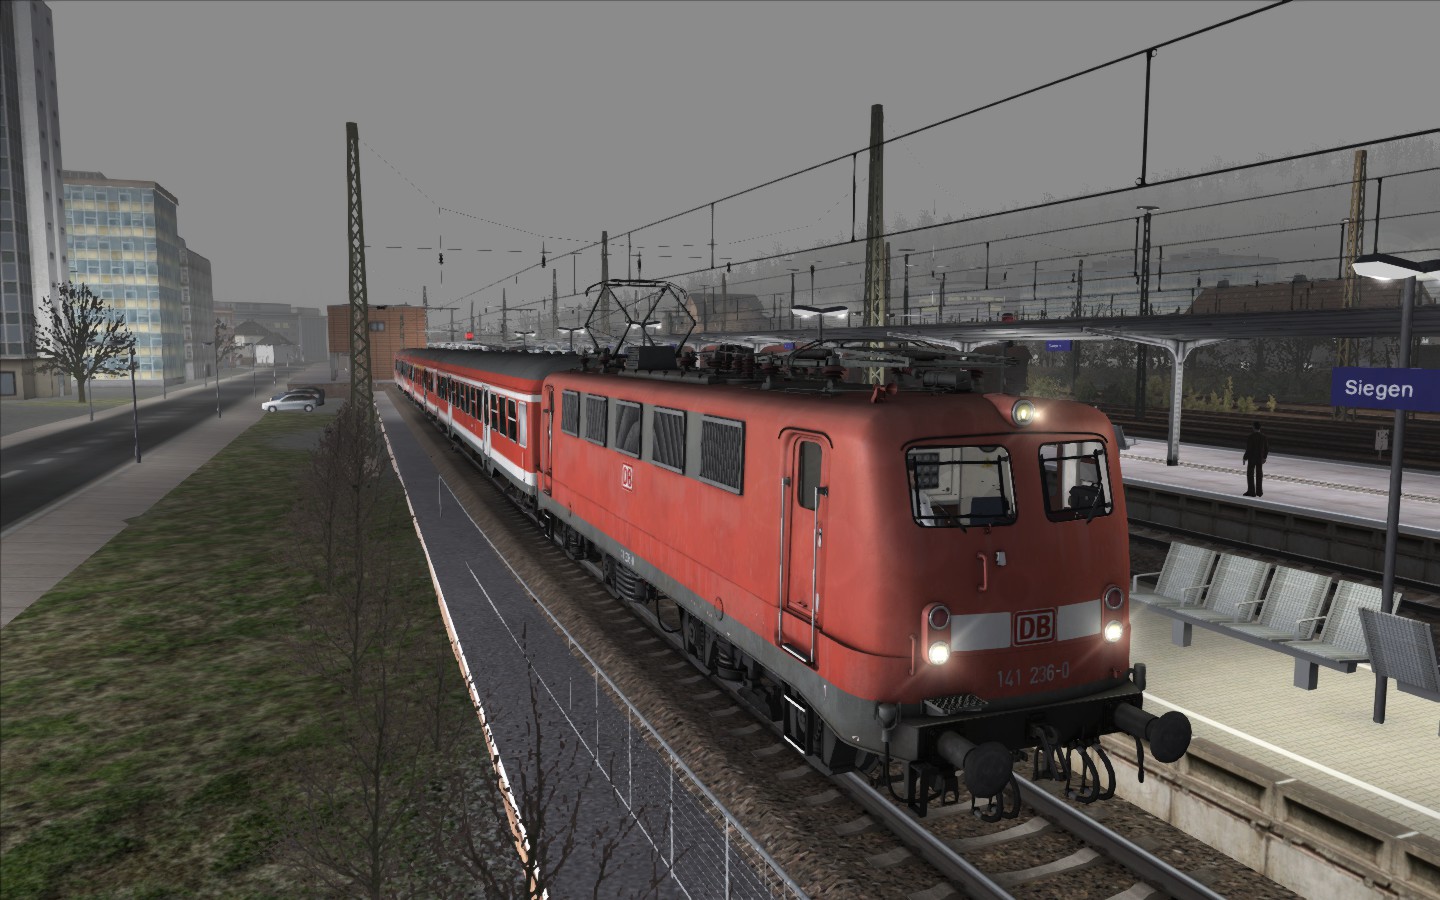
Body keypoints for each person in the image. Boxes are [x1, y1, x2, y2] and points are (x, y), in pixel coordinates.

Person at [1243, 421, 1269, 497]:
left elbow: (1249, 449)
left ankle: (1251, 492)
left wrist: (1245, 457)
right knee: (1259, 475)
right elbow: (1266, 448)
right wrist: (1264, 457)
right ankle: (1259, 492)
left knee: (1250, 475)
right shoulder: (1264, 437)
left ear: (1254, 427)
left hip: (1252, 458)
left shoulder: (1251, 437)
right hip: (1259, 458)